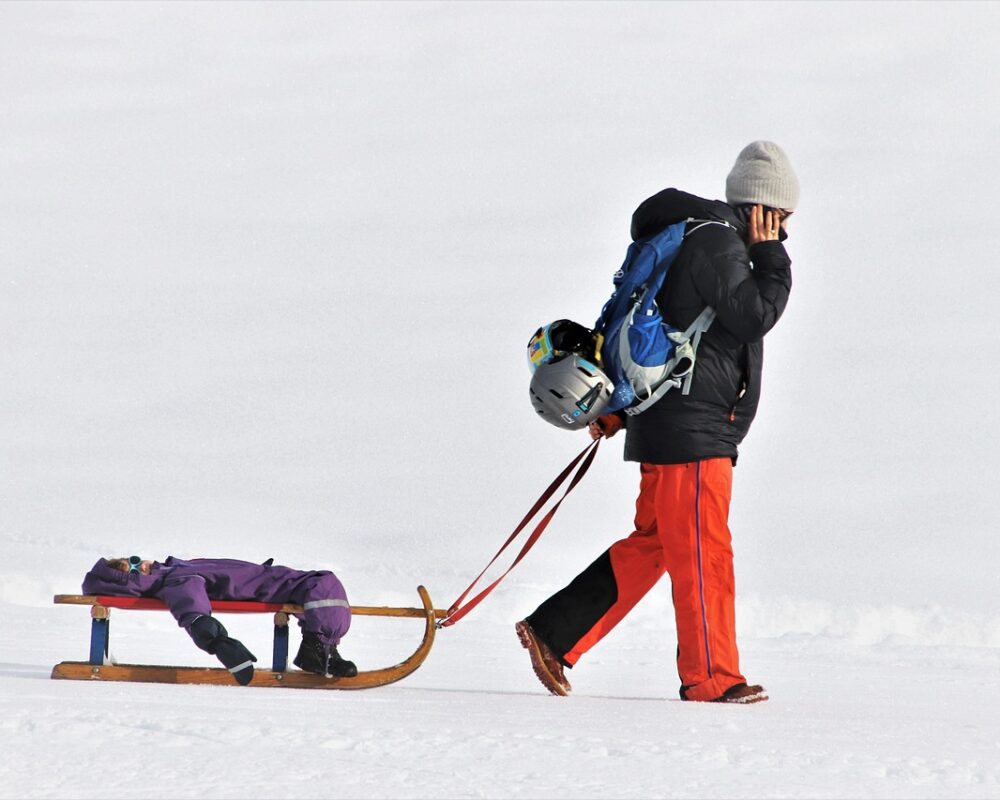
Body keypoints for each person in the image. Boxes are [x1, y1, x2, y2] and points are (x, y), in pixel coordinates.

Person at [516, 141, 798, 704]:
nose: (785, 231)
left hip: (676, 424)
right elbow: (753, 317)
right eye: (782, 218)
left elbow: (670, 335)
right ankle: (713, 677)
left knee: (659, 543)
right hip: (692, 433)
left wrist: (622, 408)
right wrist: (772, 259)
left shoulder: (693, 237)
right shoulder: (719, 244)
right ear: (761, 208)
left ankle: (554, 632)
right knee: (703, 552)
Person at [82, 555, 358, 685]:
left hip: (271, 579)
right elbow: (191, 606)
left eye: (134, 558)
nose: (142, 562)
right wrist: (218, 641)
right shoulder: (177, 578)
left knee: (321, 584)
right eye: (134, 566)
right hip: (271, 586)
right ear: (134, 580)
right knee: (324, 583)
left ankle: (321, 648)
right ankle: (319, 651)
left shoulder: (173, 570)